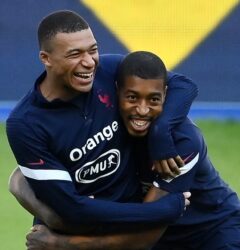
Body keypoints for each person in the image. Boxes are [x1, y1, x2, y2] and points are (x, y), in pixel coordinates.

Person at [17, 51, 240, 249]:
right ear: (116, 91)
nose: (141, 110)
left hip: (211, 234)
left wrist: (62, 244)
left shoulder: (183, 143)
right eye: (132, 97)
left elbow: (147, 232)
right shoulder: (106, 129)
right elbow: (19, 180)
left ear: (165, 97)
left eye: (153, 100)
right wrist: (54, 217)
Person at [6, 9, 197, 239]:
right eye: (74, 54)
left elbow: (184, 86)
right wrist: (160, 210)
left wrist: (160, 131)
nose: (89, 62)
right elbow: (73, 210)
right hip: (74, 237)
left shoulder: (108, 71)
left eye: (93, 50)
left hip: (123, 229)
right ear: (46, 58)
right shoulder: (26, 124)